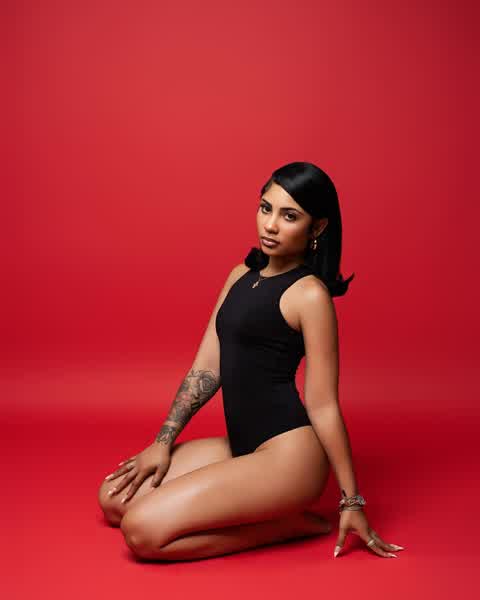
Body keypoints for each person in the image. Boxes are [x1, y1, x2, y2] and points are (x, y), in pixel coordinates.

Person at [98, 161, 405, 561]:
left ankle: (286, 526)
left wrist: (351, 500)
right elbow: (206, 369)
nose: (271, 225)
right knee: (113, 498)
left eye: (289, 216)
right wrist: (162, 442)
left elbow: (323, 404)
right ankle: (272, 514)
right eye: (265, 208)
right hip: (242, 446)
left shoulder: (309, 295)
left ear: (317, 227)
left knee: (141, 531)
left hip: (290, 457)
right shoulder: (240, 275)